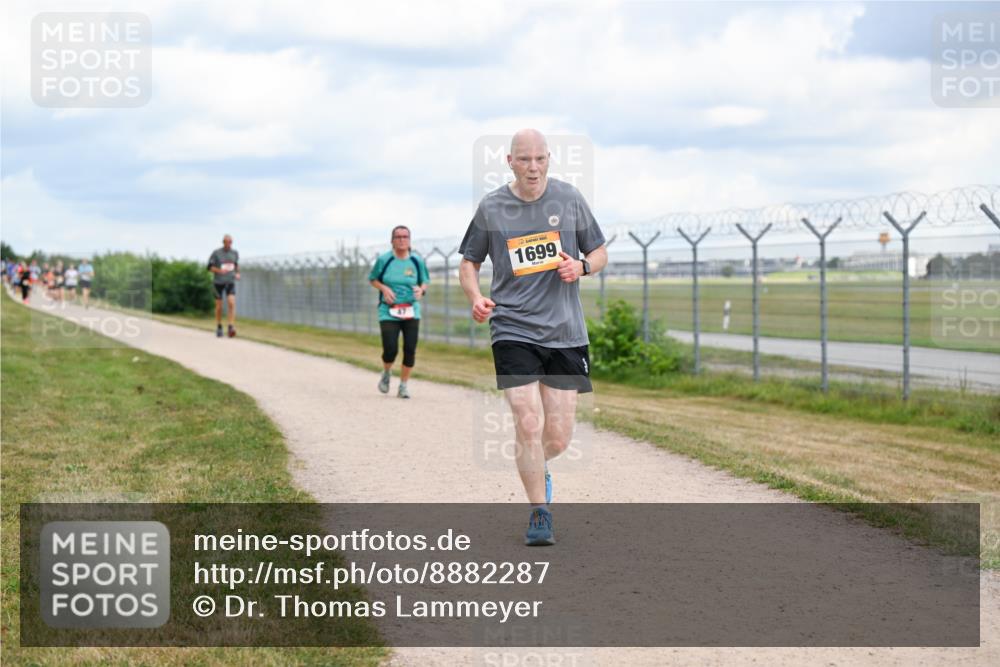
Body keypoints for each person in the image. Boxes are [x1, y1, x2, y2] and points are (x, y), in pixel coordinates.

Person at [459, 129, 608, 546]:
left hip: (564, 331)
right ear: (509, 162)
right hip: (512, 327)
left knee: (557, 436)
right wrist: (475, 297)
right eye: (524, 160)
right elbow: (469, 262)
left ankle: (537, 465)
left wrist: (581, 267)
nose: (533, 167)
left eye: (540, 159)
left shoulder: (568, 198)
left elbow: (599, 252)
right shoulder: (492, 207)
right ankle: (539, 513)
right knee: (528, 420)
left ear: (549, 159)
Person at [368, 226, 430, 399]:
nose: (402, 240)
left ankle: (403, 385)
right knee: (390, 349)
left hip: (411, 310)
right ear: (392, 240)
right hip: (388, 311)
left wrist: (421, 290)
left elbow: (424, 281)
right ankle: (387, 373)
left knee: (410, 349)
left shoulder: (417, 261)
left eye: (405, 236)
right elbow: (372, 279)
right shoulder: (384, 260)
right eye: (398, 237)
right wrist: (384, 288)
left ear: (409, 239)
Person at [207, 235, 240, 338]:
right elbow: (209, 267)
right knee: (219, 306)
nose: (229, 244)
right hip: (218, 283)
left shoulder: (234, 253)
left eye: (230, 242)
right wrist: (220, 271)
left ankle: (231, 326)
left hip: (230, 281)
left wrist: (237, 273)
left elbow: (236, 265)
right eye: (227, 242)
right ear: (223, 242)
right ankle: (219, 326)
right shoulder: (216, 253)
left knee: (231, 303)